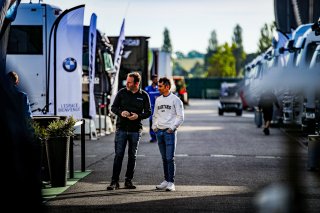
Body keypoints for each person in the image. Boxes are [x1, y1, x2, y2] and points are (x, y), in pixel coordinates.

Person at [107, 72, 151, 190]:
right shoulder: (121, 93)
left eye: (129, 82)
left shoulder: (144, 95)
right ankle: (114, 181)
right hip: (121, 129)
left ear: (136, 83)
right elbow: (113, 108)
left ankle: (128, 181)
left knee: (132, 156)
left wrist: (138, 116)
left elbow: (148, 112)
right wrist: (121, 113)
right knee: (118, 155)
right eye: (127, 81)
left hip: (135, 130)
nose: (126, 83)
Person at [152, 77, 184, 191]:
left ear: (167, 87)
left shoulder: (175, 100)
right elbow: (155, 115)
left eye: (160, 86)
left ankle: (171, 182)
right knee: (164, 158)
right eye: (158, 86)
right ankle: (166, 180)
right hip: (159, 132)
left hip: (169, 132)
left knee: (170, 158)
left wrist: (172, 128)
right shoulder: (158, 99)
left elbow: (180, 116)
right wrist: (154, 127)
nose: (158, 88)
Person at [144, 74, 160, 143]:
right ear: (152, 80)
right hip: (151, 110)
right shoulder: (147, 89)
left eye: (157, 79)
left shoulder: (159, 88)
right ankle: (153, 137)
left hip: (159, 110)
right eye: (155, 79)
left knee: (159, 124)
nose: (157, 80)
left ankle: (158, 137)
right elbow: (145, 99)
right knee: (152, 124)